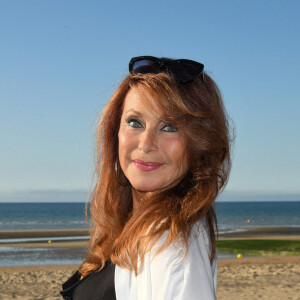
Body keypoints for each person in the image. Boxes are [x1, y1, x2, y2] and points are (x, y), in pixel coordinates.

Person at [60, 56, 232, 300]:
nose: (146, 143)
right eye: (135, 122)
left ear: (198, 144)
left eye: (169, 127)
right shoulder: (139, 223)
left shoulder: (171, 241)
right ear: (114, 131)